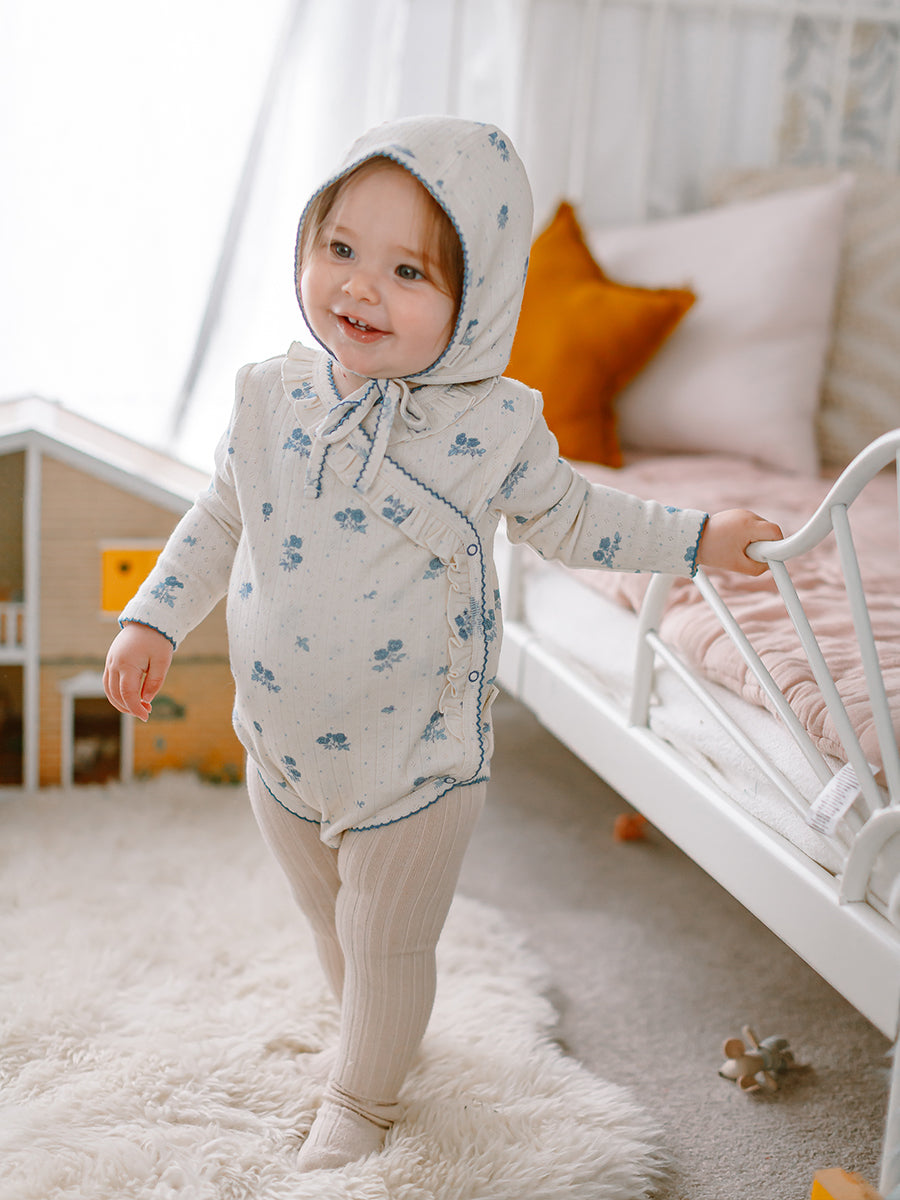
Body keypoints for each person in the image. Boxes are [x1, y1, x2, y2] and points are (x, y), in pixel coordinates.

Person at [104, 115, 781, 1172]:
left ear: (478, 302)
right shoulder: (267, 394)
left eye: (408, 270)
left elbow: (581, 520)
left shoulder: (493, 428)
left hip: (416, 757)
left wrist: (698, 539)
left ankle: (364, 1098)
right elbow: (219, 515)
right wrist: (151, 615)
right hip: (280, 745)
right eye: (340, 248)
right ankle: (368, 1032)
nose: (360, 288)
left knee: (388, 938)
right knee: (331, 924)